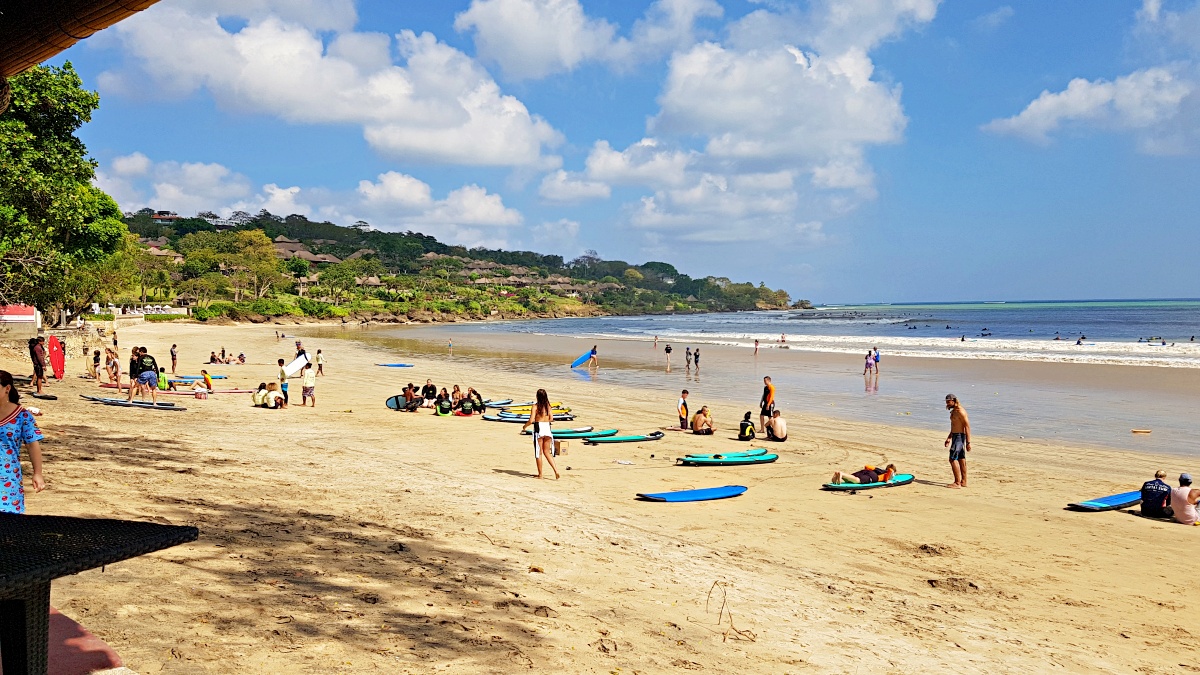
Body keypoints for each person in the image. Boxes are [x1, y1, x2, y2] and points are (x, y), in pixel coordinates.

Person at [0, 370, 46, 513]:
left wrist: (37, 473)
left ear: (7, 388)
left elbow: (33, 445)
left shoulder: (22, 416)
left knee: (9, 527)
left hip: (8, 480)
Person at [521, 389, 560, 479]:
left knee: (539, 452)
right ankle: (556, 471)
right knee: (547, 452)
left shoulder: (535, 406)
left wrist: (524, 427)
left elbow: (531, 420)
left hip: (539, 429)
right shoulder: (548, 406)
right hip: (547, 429)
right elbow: (551, 418)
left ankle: (540, 474)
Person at [944, 394, 971, 488]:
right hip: (955, 436)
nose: (947, 404)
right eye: (946, 402)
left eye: (948, 402)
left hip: (959, 437)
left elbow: (967, 427)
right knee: (960, 458)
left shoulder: (961, 412)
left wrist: (968, 442)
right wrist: (949, 437)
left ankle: (957, 482)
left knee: (952, 458)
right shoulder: (954, 411)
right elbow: (954, 426)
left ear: (954, 400)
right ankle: (963, 481)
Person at [830, 464, 897, 485]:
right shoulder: (885, 472)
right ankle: (842, 474)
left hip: (865, 471)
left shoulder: (878, 469)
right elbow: (890, 471)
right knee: (857, 480)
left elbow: (867, 466)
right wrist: (887, 480)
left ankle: (838, 474)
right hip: (873, 476)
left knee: (850, 479)